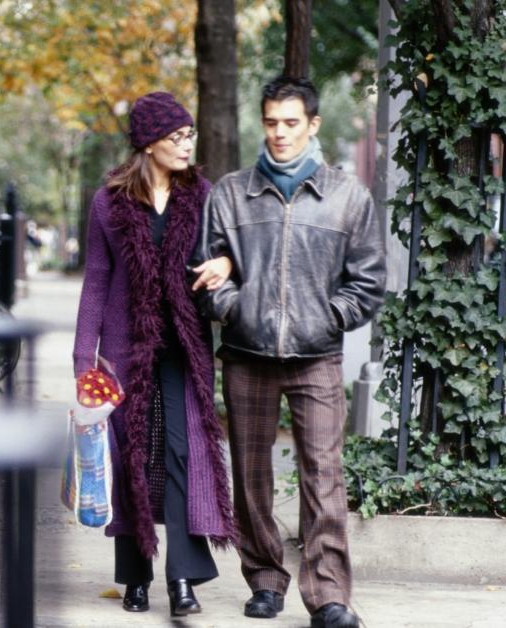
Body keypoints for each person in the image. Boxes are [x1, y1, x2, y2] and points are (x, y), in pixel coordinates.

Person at [199, 76, 386, 628]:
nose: (279, 134)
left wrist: (328, 318)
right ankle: (263, 579)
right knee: (251, 473)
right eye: (271, 123)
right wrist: (236, 307)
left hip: (318, 357)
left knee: (324, 475)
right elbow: (207, 272)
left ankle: (328, 596)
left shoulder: (348, 197)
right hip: (246, 352)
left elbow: (368, 280)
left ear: (313, 125)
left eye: (291, 123)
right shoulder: (231, 194)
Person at [73, 91, 237, 618]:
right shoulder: (109, 203)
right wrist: (84, 360)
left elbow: (228, 253)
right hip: (126, 350)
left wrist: (227, 265)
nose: (188, 144)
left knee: (181, 453)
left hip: (184, 348)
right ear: (149, 144)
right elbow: (97, 281)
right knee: (132, 458)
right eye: (177, 137)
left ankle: (183, 580)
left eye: (189, 135)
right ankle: (135, 578)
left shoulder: (203, 195)